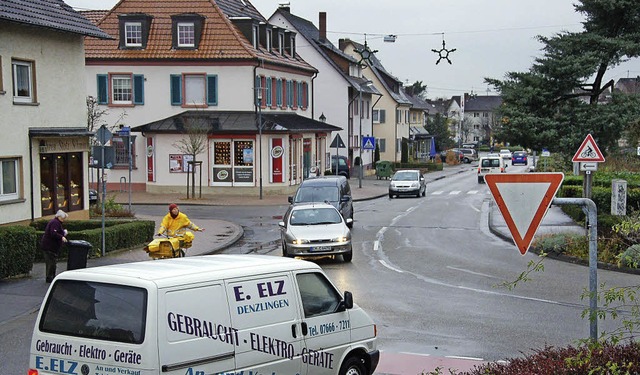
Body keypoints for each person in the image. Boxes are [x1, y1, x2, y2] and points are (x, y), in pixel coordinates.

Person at [41, 210, 68, 283]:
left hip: (50, 247)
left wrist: (63, 233)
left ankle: (51, 277)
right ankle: (50, 278)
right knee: (51, 263)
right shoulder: (55, 223)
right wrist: (61, 237)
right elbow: (53, 233)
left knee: (52, 263)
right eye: (63, 218)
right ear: (59, 217)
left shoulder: (56, 222)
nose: (63, 220)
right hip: (49, 247)